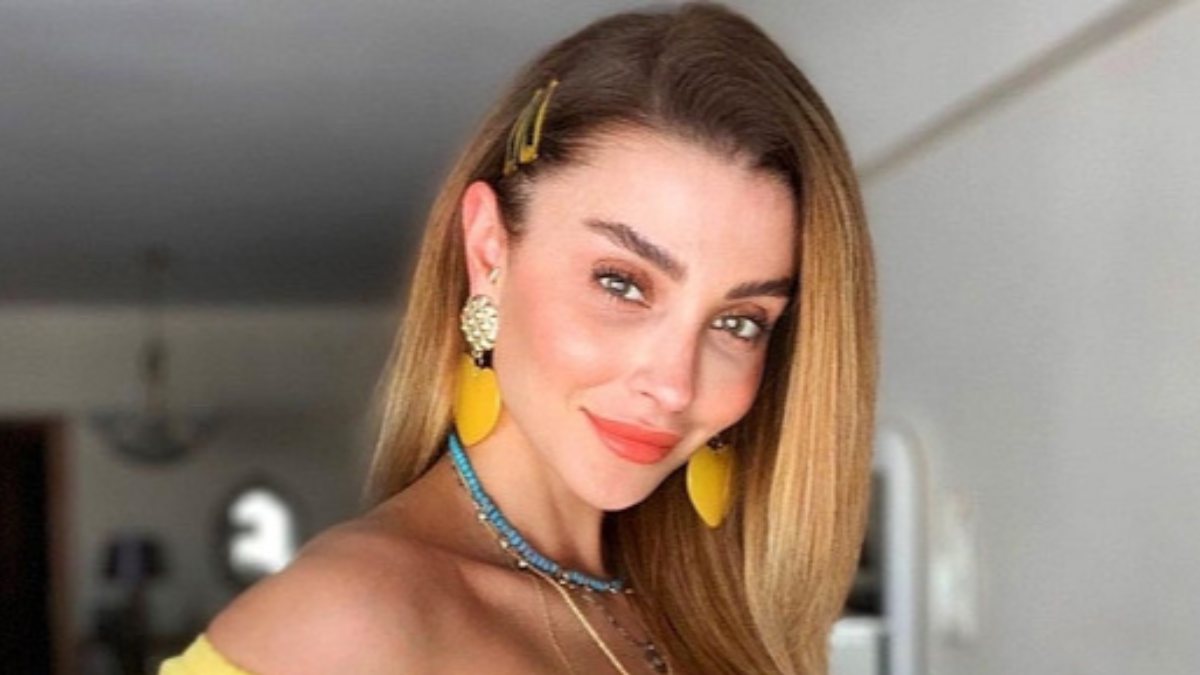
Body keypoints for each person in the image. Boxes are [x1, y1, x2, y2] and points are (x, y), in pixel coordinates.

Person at [161, 3, 876, 674]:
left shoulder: (721, 616)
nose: (673, 385)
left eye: (738, 322)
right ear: (488, 252)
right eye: (622, 283)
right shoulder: (349, 622)